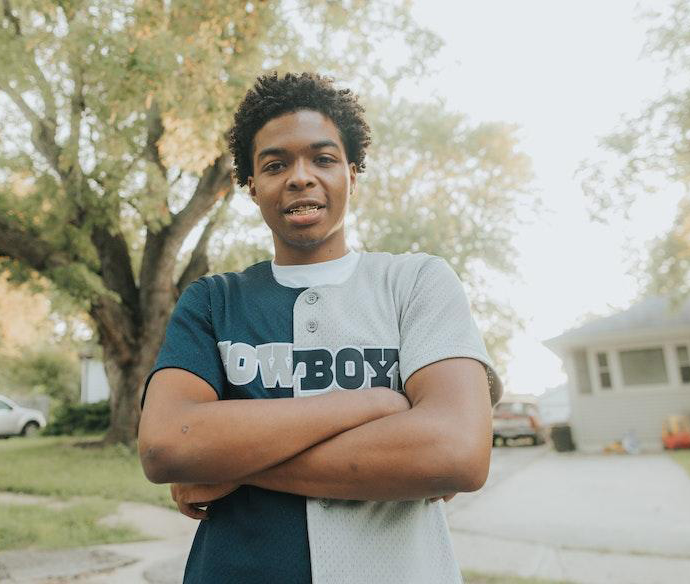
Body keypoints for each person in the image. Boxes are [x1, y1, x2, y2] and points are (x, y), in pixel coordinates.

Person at [138, 72, 502, 584]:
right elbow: (166, 445)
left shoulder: (417, 282)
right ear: (252, 187)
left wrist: (229, 462)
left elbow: (456, 452)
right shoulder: (212, 301)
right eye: (275, 164)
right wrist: (373, 404)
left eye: (324, 158)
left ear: (352, 172)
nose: (300, 177)